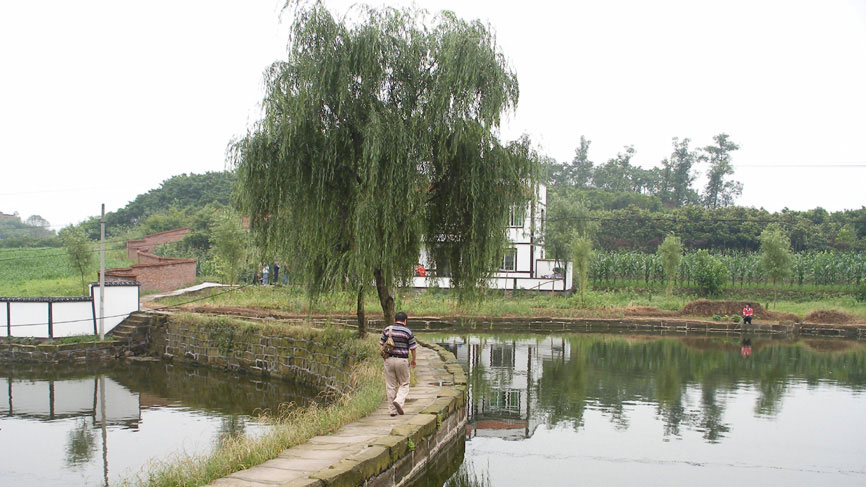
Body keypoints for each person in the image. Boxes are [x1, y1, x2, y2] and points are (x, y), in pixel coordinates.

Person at [380, 311, 417, 416]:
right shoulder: (407, 332)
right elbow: (413, 348)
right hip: (402, 360)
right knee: (404, 383)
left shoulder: (388, 329)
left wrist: (384, 357)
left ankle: (392, 411)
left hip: (389, 360)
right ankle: (399, 400)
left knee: (391, 386)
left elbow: (381, 343)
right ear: (405, 321)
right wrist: (414, 360)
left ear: (395, 319)